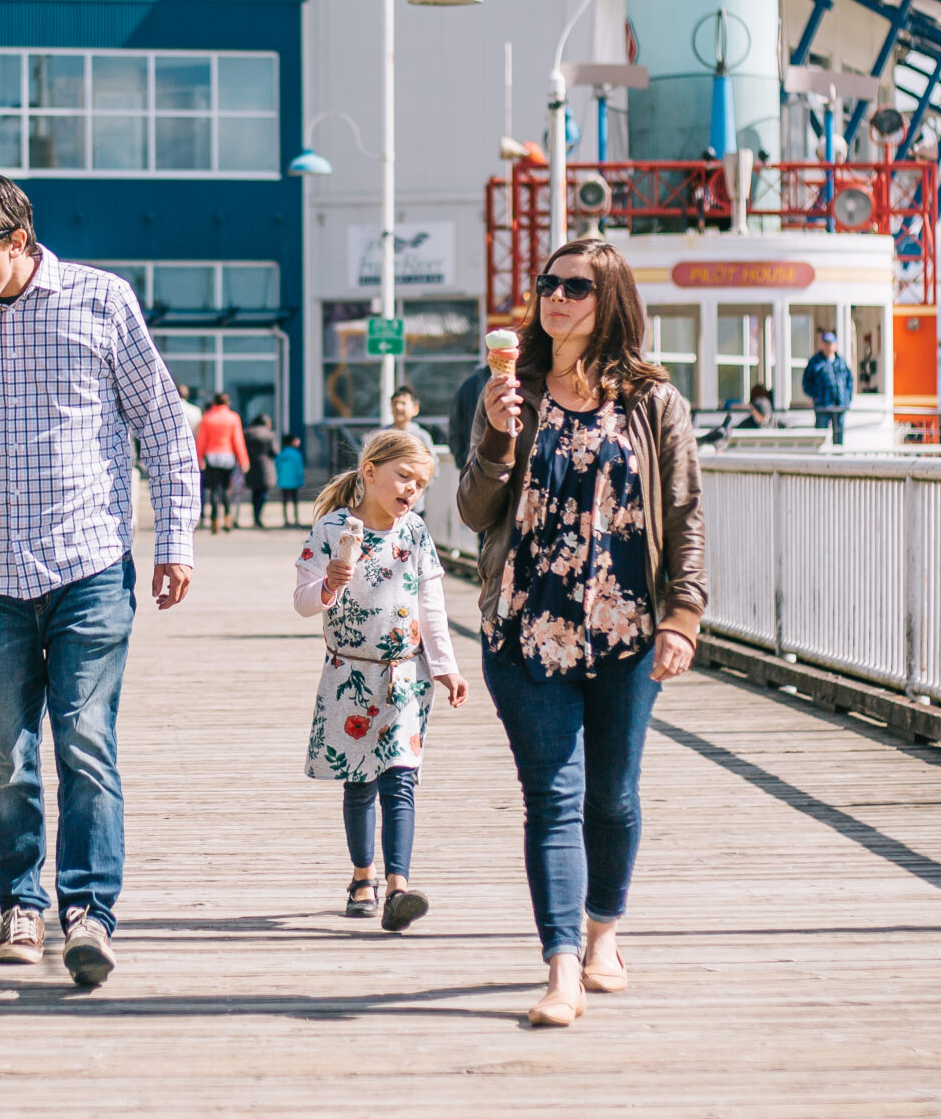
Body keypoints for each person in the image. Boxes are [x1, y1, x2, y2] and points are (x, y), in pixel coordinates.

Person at [0, 173, 197, 990]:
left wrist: (176, 539)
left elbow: (164, 425)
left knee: (86, 743)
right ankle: (19, 900)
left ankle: (89, 910)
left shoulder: (102, 300)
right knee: (7, 754)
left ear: (17, 240)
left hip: (89, 564)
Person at [460, 237, 706, 1029]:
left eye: (575, 287)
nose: (555, 298)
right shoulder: (507, 389)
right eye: (547, 284)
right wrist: (498, 437)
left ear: (611, 303)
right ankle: (561, 965)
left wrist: (684, 615)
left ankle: (606, 933)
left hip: (628, 629)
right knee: (552, 796)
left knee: (614, 795)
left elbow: (685, 513)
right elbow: (472, 510)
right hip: (529, 627)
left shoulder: (654, 399)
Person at [295, 428, 466, 931]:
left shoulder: (413, 533)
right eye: (403, 477)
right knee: (359, 780)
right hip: (349, 670)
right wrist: (328, 583)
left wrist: (446, 667)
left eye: (420, 484)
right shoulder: (331, 530)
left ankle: (399, 885)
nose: (411, 490)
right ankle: (361, 876)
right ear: (370, 473)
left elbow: (431, 606)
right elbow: (303, 602)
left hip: (405, 673)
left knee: (401, 777)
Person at [195, 391, 247, 535]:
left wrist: (199, 458)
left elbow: (201, 441)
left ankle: (214, 520)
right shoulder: (233, 418)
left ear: (214, 403)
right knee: (226, 488)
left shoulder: (207, 418)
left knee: (213, 489)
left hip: (212, 456)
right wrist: (243, 460)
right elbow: (238, 441)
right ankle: (228, 518)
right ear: (227, 403)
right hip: (228, 456)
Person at [803, 327, 855, 445]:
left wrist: (847, 397)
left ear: (835, 345)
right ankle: (820, 461)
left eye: (831, 343)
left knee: (839, 438)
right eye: (826, 343)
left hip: (839, 406)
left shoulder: (841, 361)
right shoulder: (815, 362)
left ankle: (838, 460)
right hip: (823, 406)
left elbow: (849, 381)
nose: (828, 346)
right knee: (820, 438)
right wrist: (817, 394)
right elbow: (806, 383)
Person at [448, 362, 491, 472]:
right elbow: (455, 427)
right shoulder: (470, 385)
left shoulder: (524, 383)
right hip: (474, 467)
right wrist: (463, 460)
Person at [242, 410, 279, 530]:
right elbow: (274, 452)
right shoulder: (269, 434)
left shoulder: (246, 433)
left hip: (251, 465)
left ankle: (255, 516)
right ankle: (258, 517)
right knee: (263, 493)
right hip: (265, 467)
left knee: (254, 492)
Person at [275, 435, 307, 525]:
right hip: (295, 482)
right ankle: (296, 519)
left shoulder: (281, 455)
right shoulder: (296, 455)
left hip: (283, 482)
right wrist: (301, 480)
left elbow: (277, 467)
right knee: (295, 501)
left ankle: (285, 519)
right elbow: (299, 470)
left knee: (284, 500)